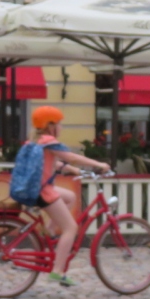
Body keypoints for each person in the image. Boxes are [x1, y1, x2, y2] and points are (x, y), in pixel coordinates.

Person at [28, 106, 112, 286]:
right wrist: (98, 164)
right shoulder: (48, 140)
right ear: (50, 125)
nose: (61, 127)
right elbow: (71, 156)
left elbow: (54, 161)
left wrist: (71, 169)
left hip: (36, 189)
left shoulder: (36, 141)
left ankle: (49, 231)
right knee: (71, 228)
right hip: (43, 191)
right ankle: (58, 271)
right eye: (59, 123)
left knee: (70, 197)